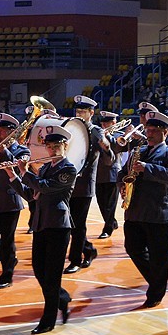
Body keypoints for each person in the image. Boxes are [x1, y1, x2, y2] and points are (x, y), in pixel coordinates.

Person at [8, 125, 76, 334]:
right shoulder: (45, 168)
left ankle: (48, 321)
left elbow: (44, 187)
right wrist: (13, 175)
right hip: (41, 223)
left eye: (57, 146)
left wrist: (25, 171)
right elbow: (31, 194)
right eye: (50, 146)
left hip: (58, 225)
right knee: (39, 269)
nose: (53, 149)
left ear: (65, 146)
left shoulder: (69, 169)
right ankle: (61, 298)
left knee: (53, 274)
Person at [117, 111, 168, 308]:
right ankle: (156, 282)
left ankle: (156, 292)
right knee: (132, 248)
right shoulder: (140, 150)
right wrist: (122, 184)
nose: (150, 133)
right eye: (148, 129)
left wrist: (147, 168)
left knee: (159, 257)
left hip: (158, 212)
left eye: (155, 130)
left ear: (165, 132)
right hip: (134, 210)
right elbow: (122, 172)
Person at [64, 95, 112, 274]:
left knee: (78, 225)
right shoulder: (72, 128)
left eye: (83, 111)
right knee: (69, 223)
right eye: (78, 111)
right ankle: (89, 250)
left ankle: (75, 259)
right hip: (68, 183)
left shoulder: (96, 131)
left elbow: (109, 159)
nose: (79, 114)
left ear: (91, 113)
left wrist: (106, 146)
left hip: (84, 184)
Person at [0, 113, 30, 288]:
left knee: (7, 240)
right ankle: (9, 260)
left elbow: (18, 170)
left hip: (10, 201)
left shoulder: (22, 150)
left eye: (2, 130)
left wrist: (4, 151)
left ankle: (7, 274)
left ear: (12, 132)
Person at [95, 111, 124, 239]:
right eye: (102, 122)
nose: (103, 125)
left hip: (113, 173)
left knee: (110, 204)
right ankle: (112, 222)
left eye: (106, 122)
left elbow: (117, 149)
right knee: (101, 203)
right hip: (98, 173)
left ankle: (108, 228)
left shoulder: (119, 135)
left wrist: (108, 137)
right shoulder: (98, 134)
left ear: (114, 123)